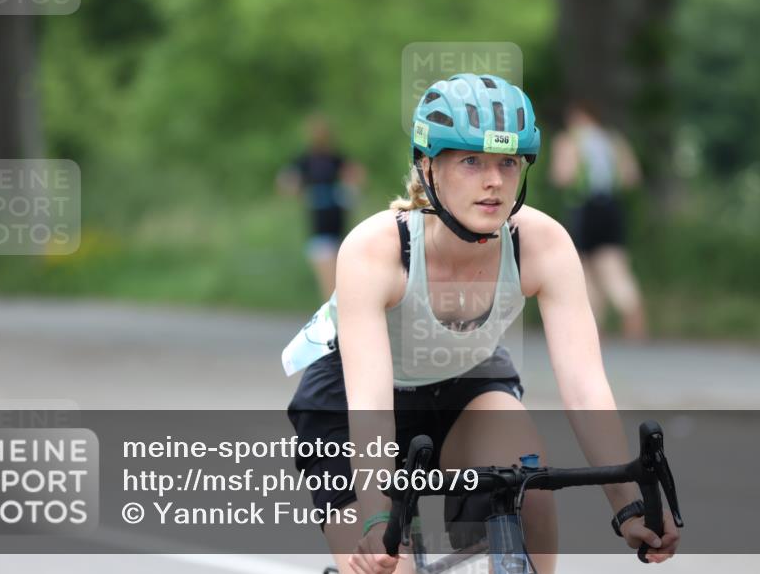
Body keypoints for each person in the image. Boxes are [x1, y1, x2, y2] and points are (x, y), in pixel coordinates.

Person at [283, 74, 679, 574]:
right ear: (428, 166)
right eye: (471, 161)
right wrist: (377, 518)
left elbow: (584, 387)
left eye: (507, 163)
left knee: (529, 493)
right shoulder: (376, 249)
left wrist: (628, 506)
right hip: (352, 403)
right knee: (388, 564)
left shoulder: (542, 243)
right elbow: (372, 409)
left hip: (467, 383)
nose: (494, 181)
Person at [549, 100, 647, 340]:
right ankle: (630, 307)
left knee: (584, 269)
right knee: (614, 264)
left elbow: (562, 176)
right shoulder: (613, 140)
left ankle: (594, 326)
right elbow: (631, 177)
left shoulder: (569, 140)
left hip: (583, 208)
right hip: (611, 207)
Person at [277, 114, 365, 300]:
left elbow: (357, 176)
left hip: (340, 230)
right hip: (319, 229)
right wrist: (299, 190)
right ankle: (334, 316)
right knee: (330, 286)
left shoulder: (337, 159)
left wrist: (348, 189)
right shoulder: (304, 161)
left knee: (342, 281)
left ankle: (342, 315)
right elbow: (286, 183)